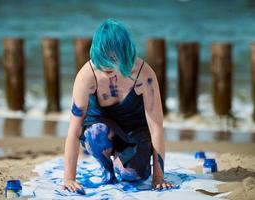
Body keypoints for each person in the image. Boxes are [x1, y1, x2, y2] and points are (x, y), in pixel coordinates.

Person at [63, 18, 173, 193]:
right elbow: (74, 130)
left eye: (112, 58)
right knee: (95, 132)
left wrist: (158, 177)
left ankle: (122, 162)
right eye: (101, 59)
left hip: (135, 130)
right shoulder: (87, 75)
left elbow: (156, 127)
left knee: (130, 174)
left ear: (124, 53)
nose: (105, 65)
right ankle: (107, 166)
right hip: (101, 131)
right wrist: (69, 178)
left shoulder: (144, 75)